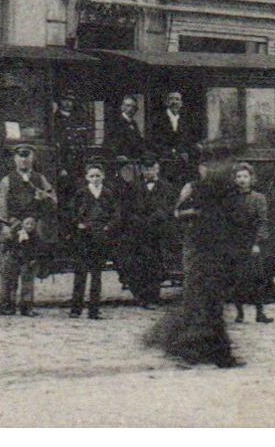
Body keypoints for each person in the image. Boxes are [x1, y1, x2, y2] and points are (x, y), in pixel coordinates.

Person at [144, 152, 240, 367]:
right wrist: (196, 213)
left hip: (215, 249)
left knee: (209, 302)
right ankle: (205, 351)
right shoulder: (193, 188)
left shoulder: (225, 189)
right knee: (204, 301)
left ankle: (209, 352)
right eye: (206, 165)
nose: (209, 169)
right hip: (200, 248)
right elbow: (178, 212)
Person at [0, 144, 57, 316]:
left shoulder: (40, 179)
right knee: (8, 267)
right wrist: (4, 226)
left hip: (32, 229)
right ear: (15, 159)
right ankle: (7, 304)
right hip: (12, 226)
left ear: (32, 159)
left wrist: (46, 197)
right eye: (20, 156)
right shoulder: (7, 180)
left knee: (29, 267)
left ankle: (27, 305)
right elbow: (0, 205)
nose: (24, 160)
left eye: (27, 156)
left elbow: (53, 201)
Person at [69, 161, 121, 319]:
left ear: (103, 176)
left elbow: (115, 214)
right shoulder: (81, 193)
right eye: (92, 176)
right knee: (80, 273)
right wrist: (79, 224)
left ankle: (94, 310)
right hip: (84, 237)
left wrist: (108, 227)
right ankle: (75, 309)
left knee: (96, 274)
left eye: (98, 175)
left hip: (101, 236)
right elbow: (72, 212)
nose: (95, 178)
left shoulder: (108, 194)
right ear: (86, 177)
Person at [122, 158, 176, 308]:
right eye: (146, 169)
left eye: (152, 168)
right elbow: (127, 208)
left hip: (159, 232)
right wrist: (138, 220)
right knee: (141, 264)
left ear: (158, 169)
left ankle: (154, 297)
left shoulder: (167, 188)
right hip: (140, 232)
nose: (149, 172)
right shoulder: (133, 187)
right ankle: (143, 297)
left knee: (156, 264)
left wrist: (157, 217)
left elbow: (169, 207)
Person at [229, 162, 273, 324]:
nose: (242, 180)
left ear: (251, 179)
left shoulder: (258, 199)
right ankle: (239, 313)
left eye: (245, 177)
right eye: (239, 177)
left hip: (253, 242)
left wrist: (257, 243)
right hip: (235, 242)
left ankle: (259, 313)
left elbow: (263, 222)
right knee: (237, 279)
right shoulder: (230, 199)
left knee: (257, 278)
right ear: (234, 179)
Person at [105, 96, 147, 163]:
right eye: (128, 106)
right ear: (122, 107)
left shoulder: (133, 124)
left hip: (132, 160)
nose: (130, 109)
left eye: (133, 107)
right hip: (119, 160)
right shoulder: (115, 122)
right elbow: (111, 141)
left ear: (136, 109)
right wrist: (117, 156)